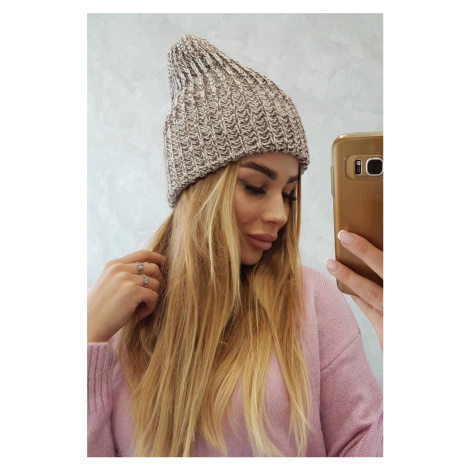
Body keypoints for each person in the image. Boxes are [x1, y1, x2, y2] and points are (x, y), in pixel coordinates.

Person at [87, 35, 383, 457]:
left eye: (289, 194)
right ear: (200, 190)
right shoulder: (122, 315)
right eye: (256, 187)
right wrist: (87, 339)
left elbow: (362, 446)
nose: (281, 215)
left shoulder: (312, 300)